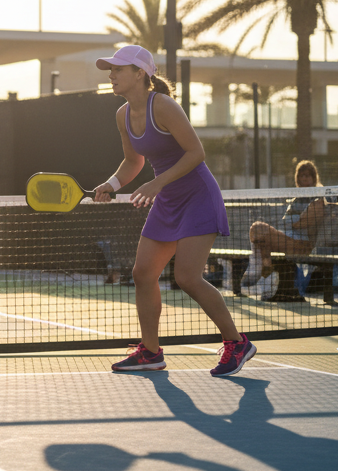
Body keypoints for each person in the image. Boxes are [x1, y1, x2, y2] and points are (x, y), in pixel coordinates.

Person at [92, 45, 256, 377]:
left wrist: (156, 184)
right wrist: (111, 184)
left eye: (118, 69)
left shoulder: (164, 107)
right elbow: (132, 161)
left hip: (197, 196)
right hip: (167, 199)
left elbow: (196, 152)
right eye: (110, 69)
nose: (111, 75)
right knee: (142, 274)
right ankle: (150, 352)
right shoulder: (122, 115)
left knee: (187, 278)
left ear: (140, 73)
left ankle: (237, 343)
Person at [242, 159, 329, 295]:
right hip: (288, 238)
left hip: (303, 244)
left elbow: (303, 224)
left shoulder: (318, 197)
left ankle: (260, 273)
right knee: (258, 233)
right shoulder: (296, 197)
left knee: (258, 228)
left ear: (313, 177)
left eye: (308, 175)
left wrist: (294, 222)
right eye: (302, 175)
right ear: (297, 178)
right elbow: (292, 223)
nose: (304, 178)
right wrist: (297, 221)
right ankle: (265, 272)